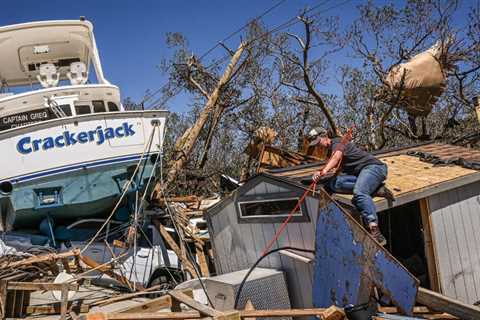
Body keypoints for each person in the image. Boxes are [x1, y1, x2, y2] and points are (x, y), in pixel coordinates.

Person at [309, 127, 388, 245]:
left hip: (374, 168)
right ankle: (374, 188)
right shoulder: (331, 150)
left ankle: (375, 230)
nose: (318, 146)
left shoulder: (338, 142)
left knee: (359, 192)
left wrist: (322, 171)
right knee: (334, 183)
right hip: (361, 174)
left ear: (325, 136)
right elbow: (337, 171)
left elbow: (336, 158)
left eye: (318, 142)